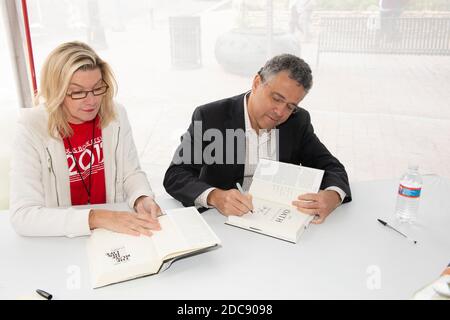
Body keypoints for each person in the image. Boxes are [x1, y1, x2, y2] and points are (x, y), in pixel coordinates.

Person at [164, 54, 351, 224]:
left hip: (278, 221)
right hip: (221, 222)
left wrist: (332, 197)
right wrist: (215, 196)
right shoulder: (211, 117)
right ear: (256, 83)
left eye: (290, 106)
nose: (280, 112)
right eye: (276, 99)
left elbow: (332, 167)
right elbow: (176, 175)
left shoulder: (297, 121)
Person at [10, 41, 162, 237]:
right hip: (60, 238)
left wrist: (142, 197)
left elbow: (130, 172)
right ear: (56, 91)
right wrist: (96, 218)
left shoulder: (115, 114)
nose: (92, 100)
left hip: (111, 233)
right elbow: (23, 216)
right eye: (78, 92)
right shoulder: (31, 127)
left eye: (98, 88)